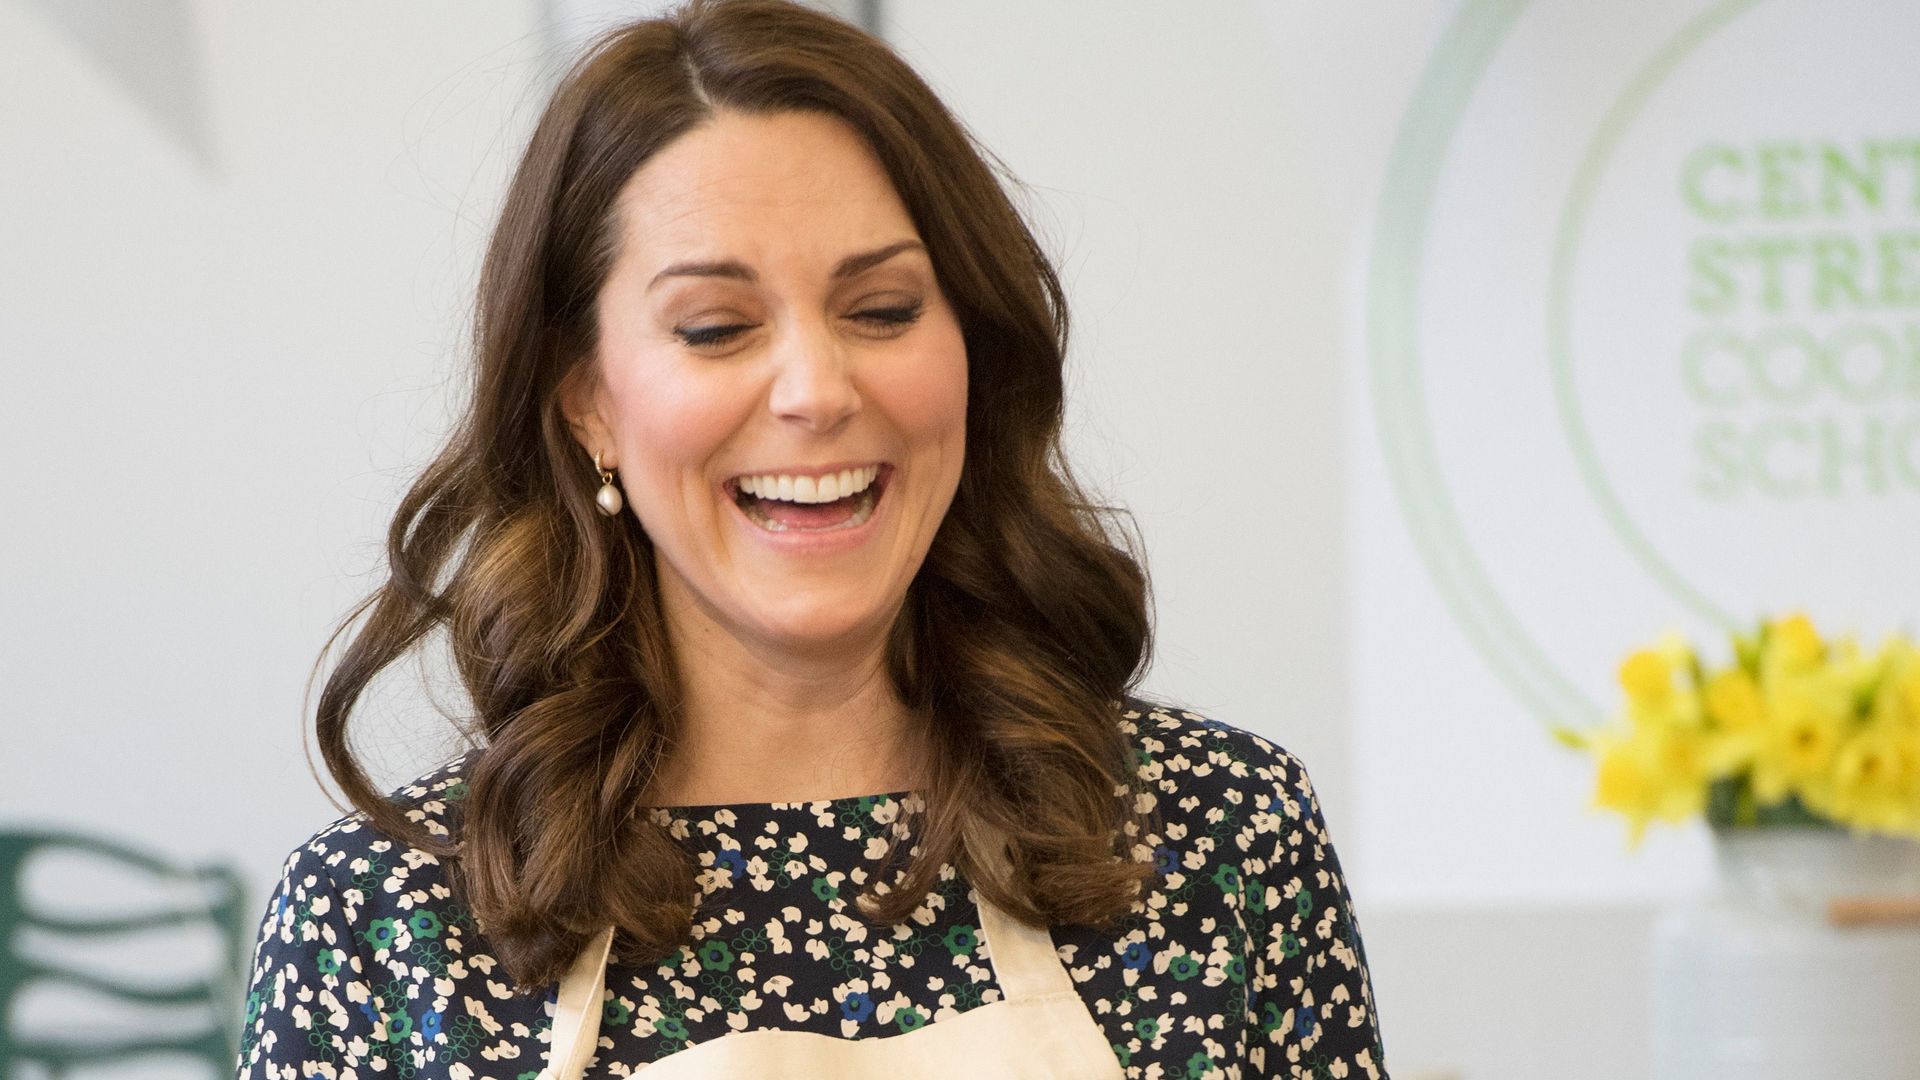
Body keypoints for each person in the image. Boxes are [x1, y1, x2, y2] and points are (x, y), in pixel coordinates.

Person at [234, 1, 1387, 1077]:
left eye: (881, 311)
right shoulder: (381, 927)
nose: (816, 391)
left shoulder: (1219, 838)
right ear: (587, 401)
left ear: (972, 352)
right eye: (717, 327)